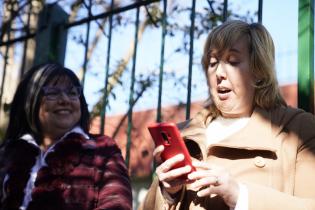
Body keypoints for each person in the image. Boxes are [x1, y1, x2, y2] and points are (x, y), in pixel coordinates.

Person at [141, 20, 315, 210]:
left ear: (259, 71)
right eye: (213, 63)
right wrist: (168, 193)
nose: (219, 73)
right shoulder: (185, 134)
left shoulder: (298, 129)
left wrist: (241, 196)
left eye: (232, 61)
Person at [0, 63, 132, 210]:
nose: (65, 100)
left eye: (72, 92)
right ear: (30, 100)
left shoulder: (103, 149)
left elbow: (117, 206)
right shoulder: (7, 153)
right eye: (53, 92)